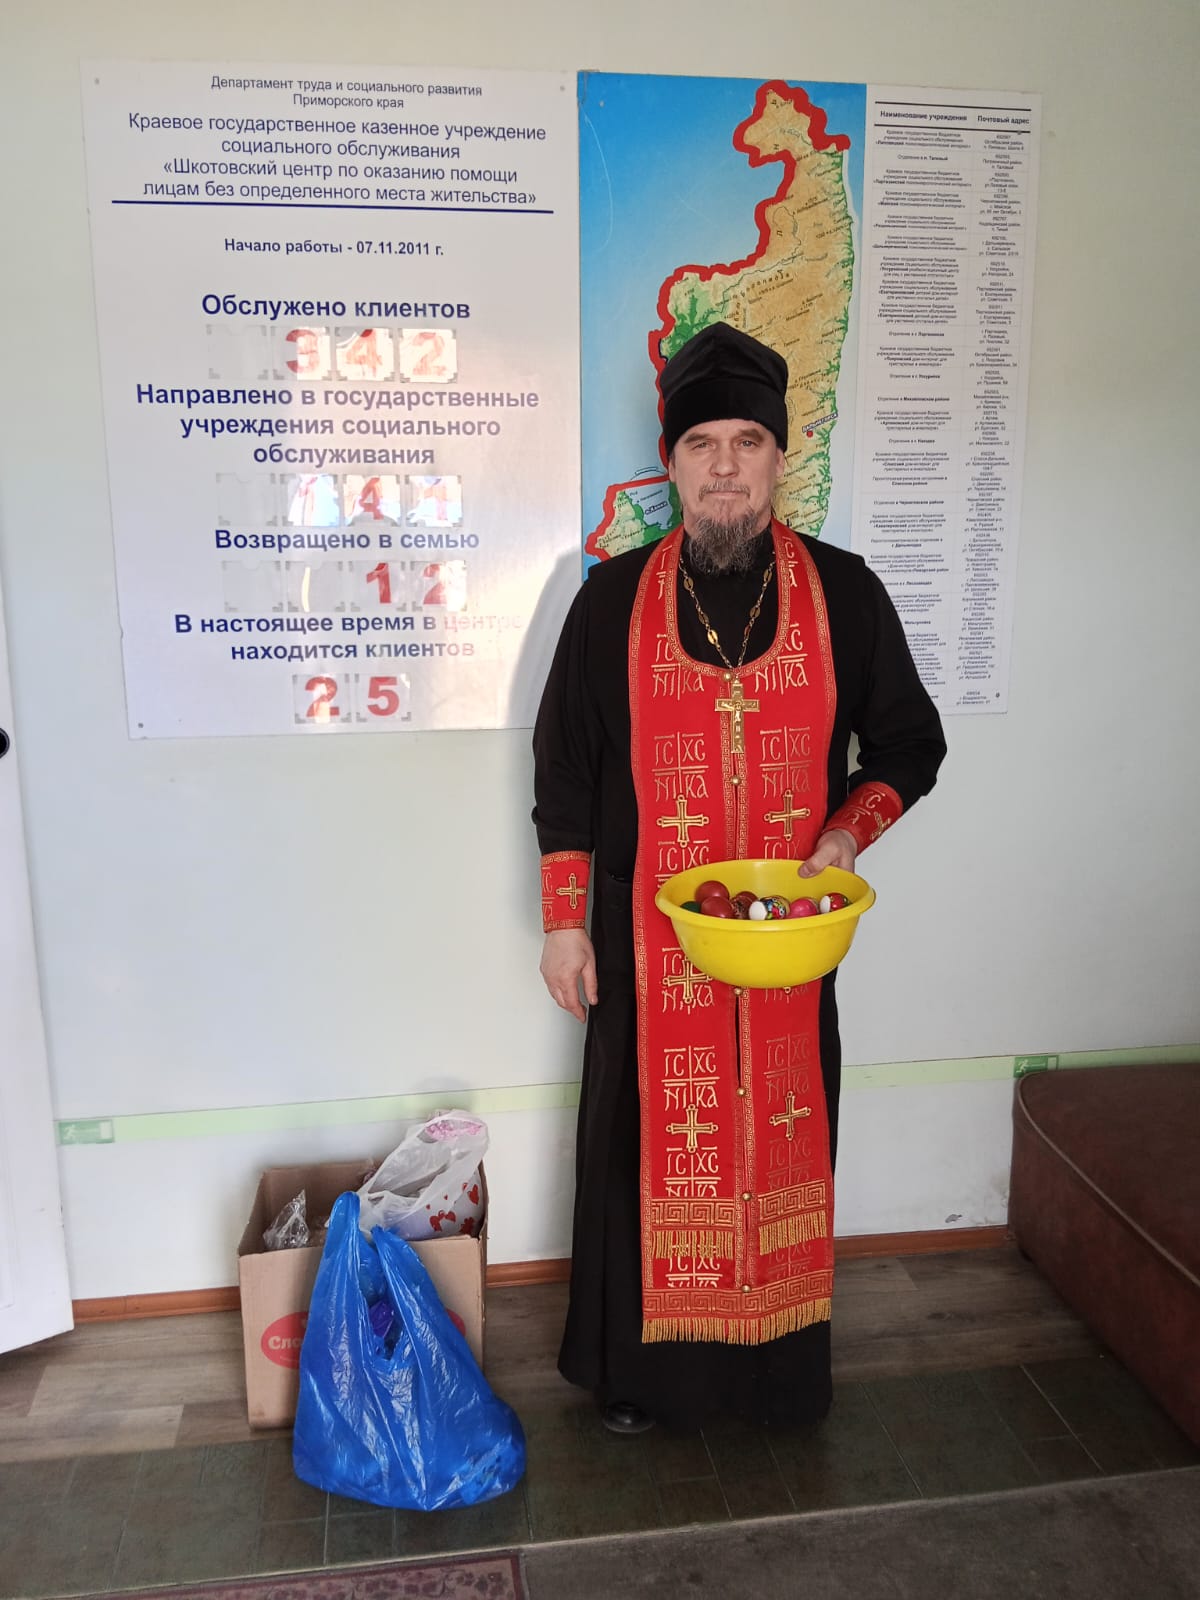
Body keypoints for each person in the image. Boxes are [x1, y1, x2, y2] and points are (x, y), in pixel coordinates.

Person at [532, 322, 946, 1434]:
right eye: (702, 443)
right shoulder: (610, 601)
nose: (725, 466)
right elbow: (563, 771)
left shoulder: (846, 595)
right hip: (642, 941)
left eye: (747, 442)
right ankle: (637, 1379)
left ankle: (779, 1377)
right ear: (670, 462)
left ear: (778, 456)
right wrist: (564, 925)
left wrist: (848, 834)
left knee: (781, 1134)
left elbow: (910, 744)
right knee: (640, 1151)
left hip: (790, 943)